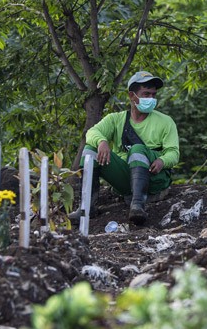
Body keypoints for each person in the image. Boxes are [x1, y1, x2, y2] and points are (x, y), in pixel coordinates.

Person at [70, 71, 180, 225]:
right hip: (127, 176)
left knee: (137, 149)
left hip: (154, 179)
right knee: (90, 150)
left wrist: (162, 160)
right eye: (146, 94)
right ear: (132, 96)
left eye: (153, 95)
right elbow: (92, 132)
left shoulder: (165, 122)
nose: (151, 99)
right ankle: (86, 207)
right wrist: (102, 141)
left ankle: (138, 206)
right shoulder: (116, 119)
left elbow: (174, 153)